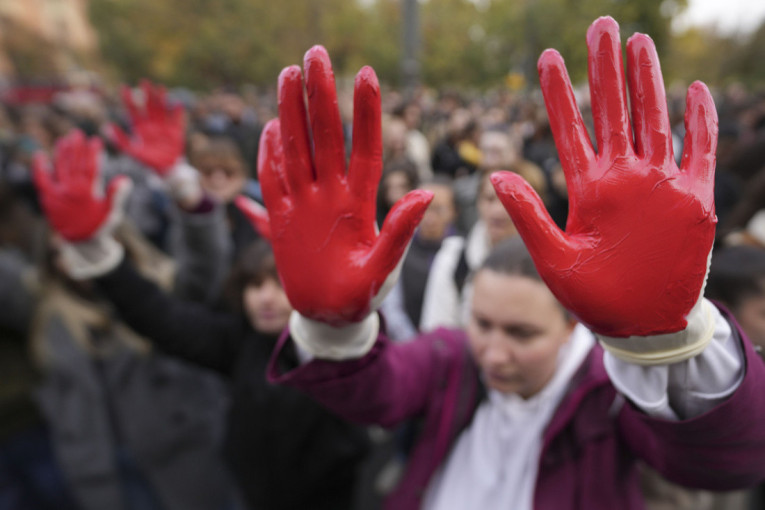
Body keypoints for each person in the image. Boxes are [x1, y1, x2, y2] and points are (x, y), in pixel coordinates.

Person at [249, 18, 765, 510]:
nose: (494, 353)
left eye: (522, 333)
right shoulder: (453, 361)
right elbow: (377, 393)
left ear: (571, 327)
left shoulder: (608, 395)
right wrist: (332, 330)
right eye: (482, 323)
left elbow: (729, 461)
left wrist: (664, 345)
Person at [32, 131, 371, 510]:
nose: (265, 298)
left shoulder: (336, 351)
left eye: (279, 285)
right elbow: (162, 318)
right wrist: (102, 260)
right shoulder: (240, 342)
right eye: (254, 286)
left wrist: (343, 320)